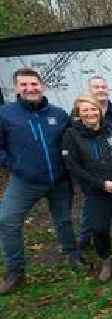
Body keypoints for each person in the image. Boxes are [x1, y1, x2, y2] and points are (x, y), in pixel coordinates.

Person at [0, 69, 81, 294]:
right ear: (16, 88)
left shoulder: (58, 114)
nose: (30, 88)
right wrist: (14, 165)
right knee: (7, 221)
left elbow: (71, 142)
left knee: (64, 220)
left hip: (59, 180)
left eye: (34, 84)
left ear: (42, 86)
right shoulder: (5, 114)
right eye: (24, 85)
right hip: (24, 181)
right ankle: (15, 271)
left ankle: (72, 254)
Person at [62, 95, 112, 281]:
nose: (90, 113)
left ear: (99, 110)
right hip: (96, 190)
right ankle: (106, 260)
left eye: (93, 109)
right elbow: (74, 167)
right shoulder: (72, 135)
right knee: (99, 227)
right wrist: (101, 184)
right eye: (85, 110)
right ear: (79, 113)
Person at [78, 76, 112, 249]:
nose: (100, 90)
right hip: (95, 183)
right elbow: (74, 160)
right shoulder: (75, 125)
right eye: (96, 87)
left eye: (103, 86)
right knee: (96, 220)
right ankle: (87, 242)